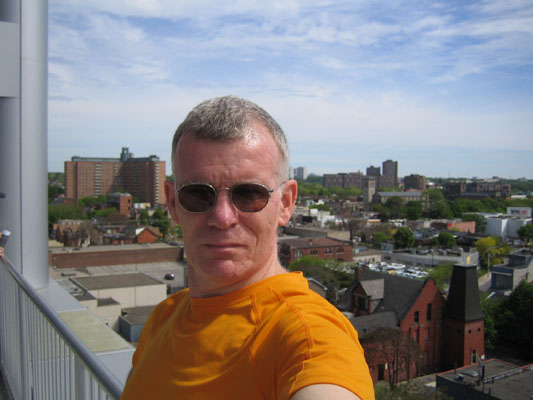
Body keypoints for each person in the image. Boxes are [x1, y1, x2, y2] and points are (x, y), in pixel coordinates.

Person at [121, 96, 374, 399]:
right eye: (198, 194)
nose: (222, 217)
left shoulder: (306, 334)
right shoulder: (163, 318)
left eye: (249, 194)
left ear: (286, 203)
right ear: (173, 203)